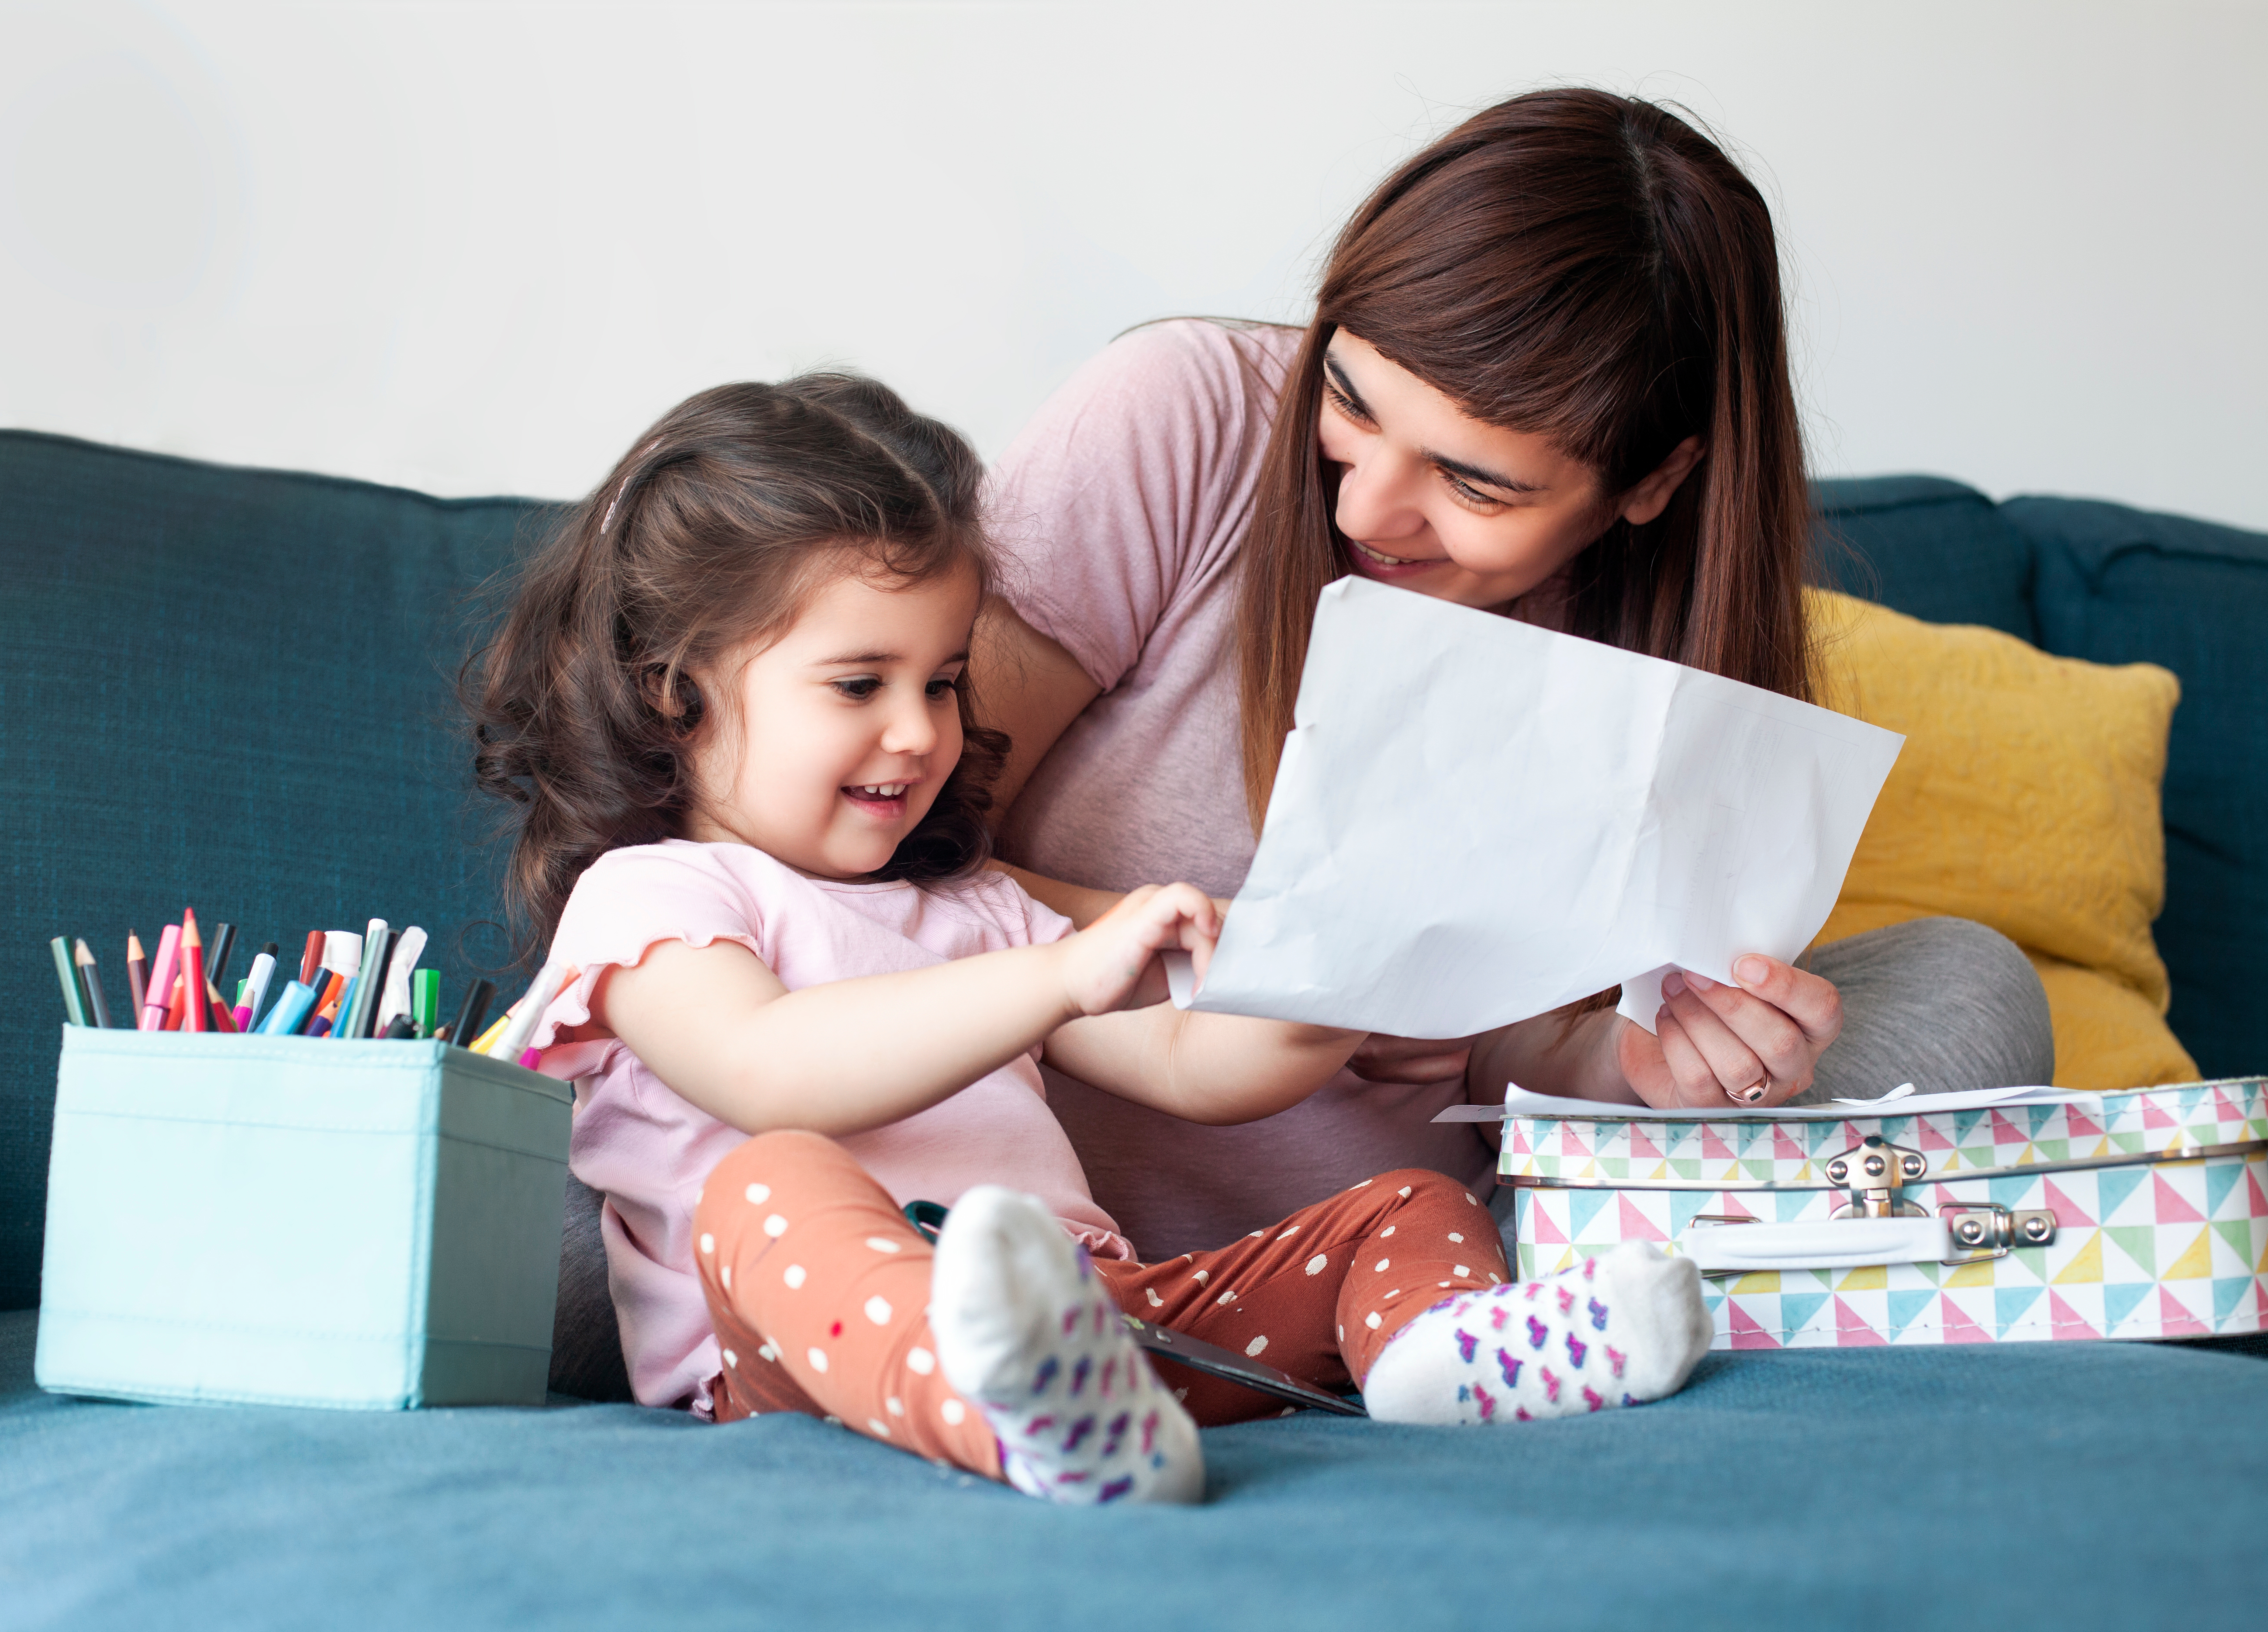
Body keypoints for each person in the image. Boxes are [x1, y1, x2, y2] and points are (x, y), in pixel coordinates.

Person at [465, 373, 1711, 1502]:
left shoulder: (974, 906)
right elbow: (768, 1067)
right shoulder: (650, 898)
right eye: (861, 686)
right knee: (766, 1185)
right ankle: (1004, 1407)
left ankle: (1442, 1358)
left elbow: (1191, 1067)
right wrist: (1058, 976)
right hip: (804, 1369)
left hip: (1108, 1328)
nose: (919, 732)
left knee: (1406, 1205)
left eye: (945, 680)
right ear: (670, 691)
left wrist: (1334, 981)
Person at [976, 88, 2055, 1262]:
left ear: (1650, 485)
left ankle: (1564, 1309)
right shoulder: (1180, 422)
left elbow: (1501, 1054)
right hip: (1046, 1221)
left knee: (1965, 987)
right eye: (1350, 399)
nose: (1365, 504)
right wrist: (1218, 947)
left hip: (1434, 1250)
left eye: (1476, 484)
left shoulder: (1638, 639)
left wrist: (1640, 1066)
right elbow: (867, 847)